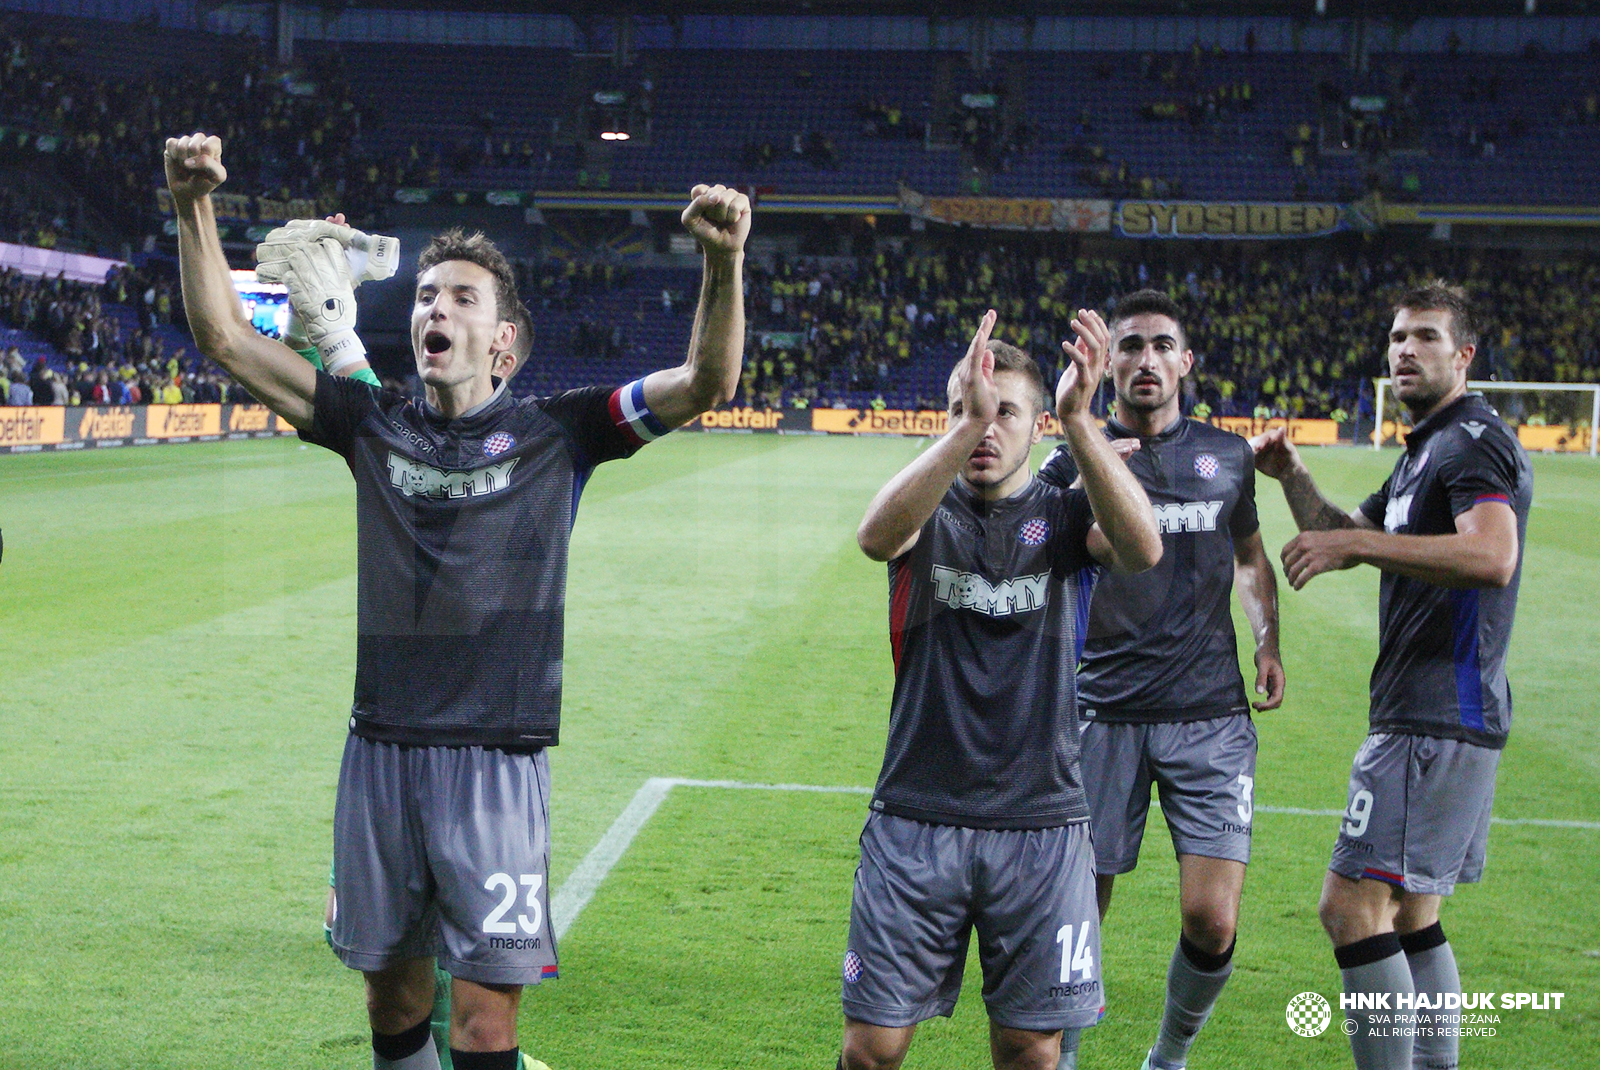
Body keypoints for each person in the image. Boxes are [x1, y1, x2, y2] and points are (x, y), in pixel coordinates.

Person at [164, 131, 750, 1070]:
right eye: (429, 295)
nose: (436, 307)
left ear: (503, 341)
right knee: (392, 1000)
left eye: (462, 299)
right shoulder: (370, 424)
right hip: (382, 749)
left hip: (495, 759)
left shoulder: (559, 435)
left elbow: (706, 383)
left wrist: (724, 264)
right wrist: (191, 203)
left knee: (485, 1025)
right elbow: (226, 338)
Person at [843, 309, 1162, 1070]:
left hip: (1041, 823)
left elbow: (1143, 547)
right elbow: (876, 537)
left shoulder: (1064, 513)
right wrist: (965, 427)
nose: (985, 428)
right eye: (965, 409)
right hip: (917, 816)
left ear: (1038, 425)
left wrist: (1082, 424)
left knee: (1030, 1051)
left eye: (1003, 412)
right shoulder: (927, 510)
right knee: (871, 1048)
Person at [1251, 281, 1530, 1070]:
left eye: (1426, 337)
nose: (1405, 350)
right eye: (1398, 336)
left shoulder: (1472, 440)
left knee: (1349, 910)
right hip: (1440, 715)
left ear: (1464, 354)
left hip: (1434, 717)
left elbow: (1492, 555)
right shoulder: (1425, 452)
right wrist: (1292, 477)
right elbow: (1346, 533)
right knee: (1410, 916)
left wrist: (1362, 550)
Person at [1036, 290, 1284, 1070]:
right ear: (1107, 362)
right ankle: (1063, 1058)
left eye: (1161, 345)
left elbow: (1248, 553)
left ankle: (1169, 1055)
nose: (1145, 360)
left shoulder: (1228, 456)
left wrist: (1269, 638)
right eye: (1131, 346)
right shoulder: (1066, 459)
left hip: (1209, 716)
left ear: (1186, 362)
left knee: (1212, 921)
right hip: (1101, 712)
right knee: (1079, 916)